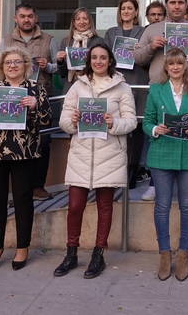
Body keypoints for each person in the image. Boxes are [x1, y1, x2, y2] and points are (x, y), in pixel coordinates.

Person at [54, 43, 137, 279]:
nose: (98, 61)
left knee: (105, 207)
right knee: (75, 206)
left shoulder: (122, 87)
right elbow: (64, 121)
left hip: (109, 154)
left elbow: (131, 121)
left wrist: (114, 122)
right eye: (94, 57)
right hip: (81, 154)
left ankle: (98, 255)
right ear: (88, 60)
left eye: (103, 57)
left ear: (110, 60)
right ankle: (71, 253)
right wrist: (72, 120)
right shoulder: (78, 86)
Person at [0, 46, 52, 272]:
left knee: (23, 199)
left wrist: (34, 107)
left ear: (26, 65)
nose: (13, 66)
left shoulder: (35, 89)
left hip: (25, 152)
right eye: (8, 62)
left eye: (17, 62)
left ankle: (22, 248)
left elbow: (47, 120)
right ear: (1, 66)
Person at [134, 0, 188, 202]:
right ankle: (154, 183)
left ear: (186, 5)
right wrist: (151, 47)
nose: (177, 6)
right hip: (161, 90)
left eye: (180, 2)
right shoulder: (152, 29)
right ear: (166, 5)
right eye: (172, 2)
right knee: (157, 135)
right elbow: (138, 58)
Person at [144, 48, 188, 282]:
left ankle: (183, 255)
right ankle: (164, 254)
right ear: (166, 66)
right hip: (161, 152)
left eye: (179, 63)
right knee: (162, 206)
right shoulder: (156, 89)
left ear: (185, 66)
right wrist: (155, 129)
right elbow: (147, 121)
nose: (175, 67)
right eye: (171, 63)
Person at [0, 3, 58, 202]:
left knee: (43, 143)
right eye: (22, 16)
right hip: (12, 100)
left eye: (30, 16)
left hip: (40, 98)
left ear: (36, 18)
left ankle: (37, 186)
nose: (26, 20)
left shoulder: (49, 39)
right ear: (16, 18)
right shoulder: (6, 40)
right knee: (14, 143)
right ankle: (15, 191)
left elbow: (59, 69)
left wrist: (48, 66)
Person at [103, 0, 149, 189]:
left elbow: (148, 58)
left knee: (136, 128)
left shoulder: (144, 32)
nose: (126, 11)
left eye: (130, 8)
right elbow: (104, 58)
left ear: (136, 11)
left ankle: (133, 169)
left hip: (138, 82)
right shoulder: (111, 32)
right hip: (117, 83)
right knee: (116, 126)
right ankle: (118, 169)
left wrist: (140, 52)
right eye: (123, 8)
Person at [57, 7, 104, 86]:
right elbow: (63, 72)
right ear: (74, 22)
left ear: (90, 21)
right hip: (71, 84)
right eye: (78, 19)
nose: (81, 22)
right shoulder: (66, 41)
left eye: (85, 18)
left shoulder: (99, 41)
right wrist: (60, 61)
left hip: (92, 83)